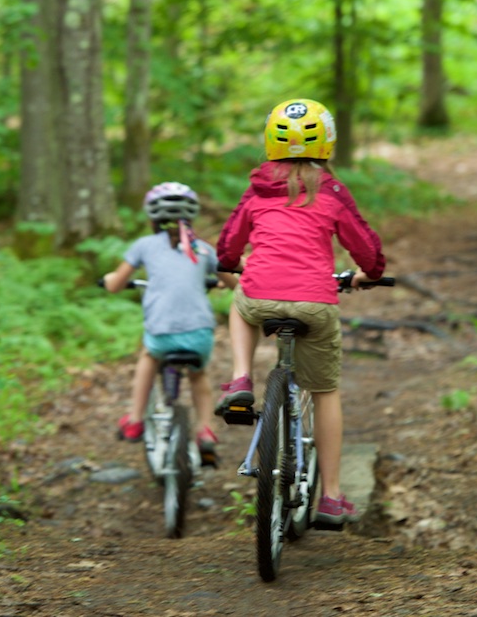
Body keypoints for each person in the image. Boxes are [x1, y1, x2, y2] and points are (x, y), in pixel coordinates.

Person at [215, 98, 387, 526]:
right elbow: (366, 248)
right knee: (325, 392)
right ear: (327, 141)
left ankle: (241, 378)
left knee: (240, 305)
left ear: (271, 142)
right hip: (315, 301)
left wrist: (231, 263)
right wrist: (368, 273)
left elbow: (228, 246)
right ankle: (330, 497)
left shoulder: (258, 188)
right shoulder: (331, 190)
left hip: (260, 293)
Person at [99, 182, 237, 467]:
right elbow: (233, 283)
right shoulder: (204, 249)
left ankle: (135, 419)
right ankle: (205, 430)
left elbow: (115, 285)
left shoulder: (144, 246)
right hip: (199, 334)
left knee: (148, 356)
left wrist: (110, 279)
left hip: (162, 333)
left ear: (152, 217)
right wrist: (221, 282)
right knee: (198, 376)